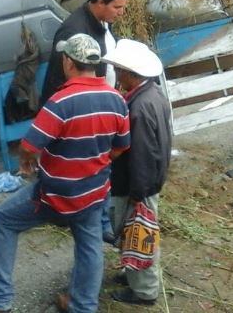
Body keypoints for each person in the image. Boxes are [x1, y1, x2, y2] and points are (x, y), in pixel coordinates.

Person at [0, 34, 130, 313]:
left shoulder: (61, 101)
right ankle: (83, 306)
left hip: (56, 195)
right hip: (93, 192)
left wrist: (27, 163)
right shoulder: (116, 99)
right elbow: (120, 148)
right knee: (90, 244)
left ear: (68, 62)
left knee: (2, 221)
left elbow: (30, 145)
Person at [103, 39, 173, 306]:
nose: (118, 76)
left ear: (132, 74)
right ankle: (132, 274)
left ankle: (143, 291)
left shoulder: (139, 107)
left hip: (137, 183)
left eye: (121, 71)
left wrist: (138, 192)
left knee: (139, 233)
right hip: (146, 182)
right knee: (135, 232)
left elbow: (143, 153)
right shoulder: (153, 95)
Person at [41, 0, 129, 101]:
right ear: (100, 3)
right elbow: (59, 81)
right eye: (117, 7)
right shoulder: (73, 32)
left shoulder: (104, 19)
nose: (121, 13)